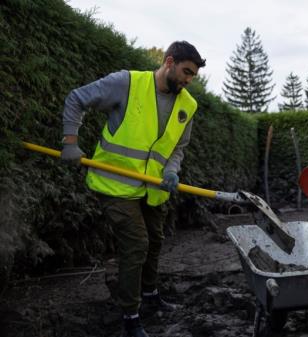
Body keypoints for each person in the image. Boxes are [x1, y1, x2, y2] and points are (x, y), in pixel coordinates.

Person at [60, 41, 206, 337]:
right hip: (115, 183)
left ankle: (151, 296)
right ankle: (131, 316)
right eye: (186, 72)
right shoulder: (126, 83)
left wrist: (172, 171)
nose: (189, 80)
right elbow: (77, 98)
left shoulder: (187, 104)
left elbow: (179, 147)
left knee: (154, 240)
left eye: (193, 75)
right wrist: (70, 142)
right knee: (137, 243)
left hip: (152, 188)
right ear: (168, 62)